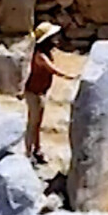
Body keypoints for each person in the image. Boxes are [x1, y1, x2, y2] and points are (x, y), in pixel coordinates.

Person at [23, 22, 72, 165]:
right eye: (53, 37)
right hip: (33, 93)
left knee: (38, 123)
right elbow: (53, 70)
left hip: (41, 93)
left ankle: (37, 150)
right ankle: (27, 153)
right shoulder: (40, 56)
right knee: (33, 124)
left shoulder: (47, 53)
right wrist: (72, 76)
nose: (56, 39)